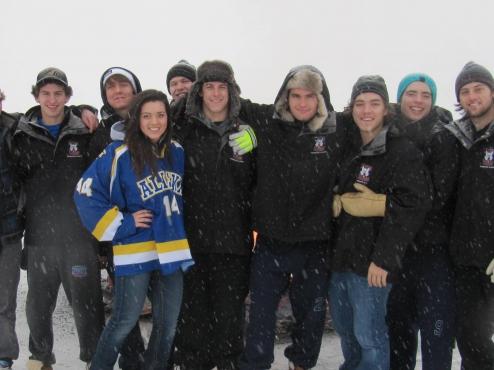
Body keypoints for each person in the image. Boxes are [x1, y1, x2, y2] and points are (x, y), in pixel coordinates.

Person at [74, 89, 193, 370]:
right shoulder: (119, 153)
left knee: (167, 327)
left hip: (171, 252)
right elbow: (84, 193)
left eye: (160, 115)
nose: (155, 122)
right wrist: (124, 223)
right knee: (123, 322)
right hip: (135, 251)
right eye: (147, 115)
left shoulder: (177, 152)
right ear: (137, 118)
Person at [238, 65, 339, 370]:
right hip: (271, 242)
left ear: (321, 98)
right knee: (261, 316)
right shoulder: (267, 123)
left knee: (311, 314)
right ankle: (256, 364)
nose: (303, 102)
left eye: (310, 96)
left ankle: (302, 364)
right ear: (286, 96)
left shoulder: (336, 131)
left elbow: (377, 116)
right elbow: (224, 95)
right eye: (296, 95)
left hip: (315, 244)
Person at [329, 75, 431, 370]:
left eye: (374, 103)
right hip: (340, 261)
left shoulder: (401, 151)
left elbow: (412, 205)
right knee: (348, 337)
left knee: (370, 338)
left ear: (386, 108)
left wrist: (384, 259)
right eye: (360, 104)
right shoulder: (346, 148)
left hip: (372, 265)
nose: (366, 110)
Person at [11, 67, 104, 370]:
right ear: (36, 95)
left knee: (86, 306)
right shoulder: (21, 135)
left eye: (58, 94)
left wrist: (85, 110)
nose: (52, 100)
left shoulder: (84, 133)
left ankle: (94, 359)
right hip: (39, 237)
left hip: (79, 237)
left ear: (67, 96)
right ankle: (40, 358)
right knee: (38, 306)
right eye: (46, 93)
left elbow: (99, 179)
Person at [172, 60, 255, 370]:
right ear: (200, 91)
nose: (216, 93)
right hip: (191, 240)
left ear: (232, 91)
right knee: (193, 319)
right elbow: (141, 115)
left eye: (223, 87)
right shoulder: (182, 126)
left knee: (230, 319)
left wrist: (257, 139)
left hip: (234, 243)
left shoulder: (248, 129)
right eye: (210, 86)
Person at [385, 73, 459, 370]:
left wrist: (390, 202)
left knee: (436, 334)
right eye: (411, 94)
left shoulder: (446, 138)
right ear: (400, 98)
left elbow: (436, 197)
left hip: (434, 252)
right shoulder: (386, 134)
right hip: (396, 254)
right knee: (398, 332)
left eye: (425, 95)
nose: (418, 100)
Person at [88, 66, 146, 370]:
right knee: (126, 313)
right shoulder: (97, 135)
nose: (118, 91)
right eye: (111, 87)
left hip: (158, 233)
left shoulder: (155, 121)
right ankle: (133, 361)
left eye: (124, 84)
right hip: (119, 237)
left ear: (135, 90)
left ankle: (165, 360)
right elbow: (92, 191)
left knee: (167, 307)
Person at [445, 61, 494, 370]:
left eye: (478, 89)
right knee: (468, 337)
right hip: (464, 257)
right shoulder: (457, 138)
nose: (472, 96)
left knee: (478, 337)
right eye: (465, 91)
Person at [0, 90, 23, 370]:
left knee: (5, 300)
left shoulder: (13, 127)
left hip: (8, 230)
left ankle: (3, 354)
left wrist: (85, 109)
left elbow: (46, 114)